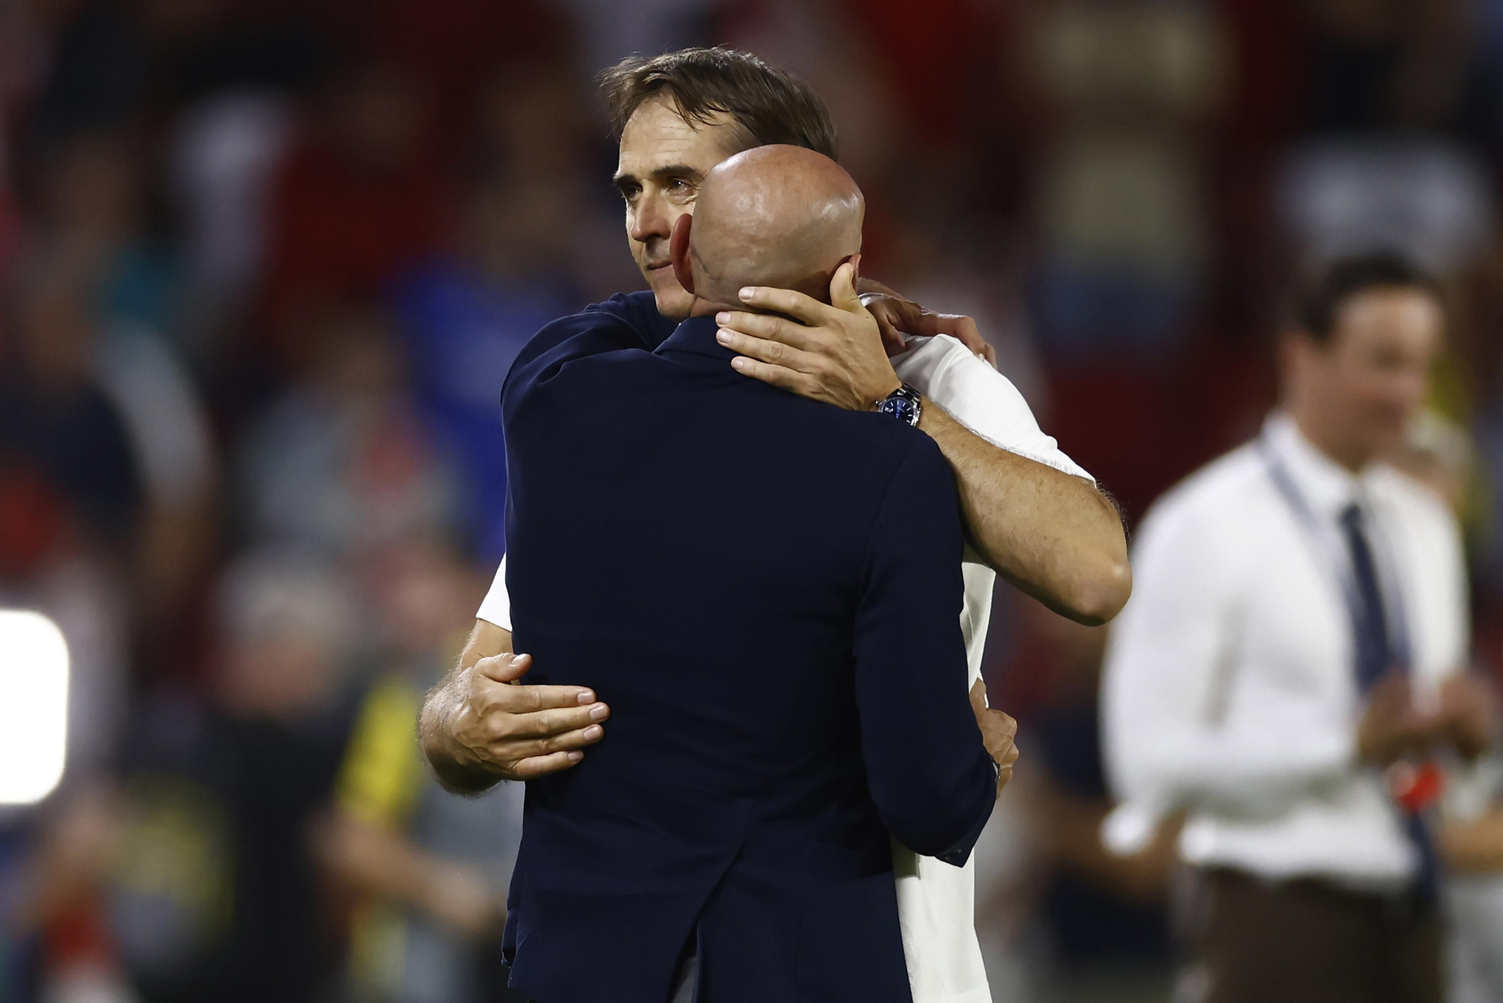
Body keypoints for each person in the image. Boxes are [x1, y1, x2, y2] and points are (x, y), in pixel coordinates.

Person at [420, 46, 1125, 1003]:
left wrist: (893, 402)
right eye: (629, 190)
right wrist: (455, 725)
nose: (649, 224)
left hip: (897, 951)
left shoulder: (937, 379)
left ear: (782, 185)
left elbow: (1093, 574)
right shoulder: (615, 415)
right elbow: (477, 678)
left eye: (683, 185)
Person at [498, 142, 997, 1003]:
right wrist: (977, 761)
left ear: (686, 257)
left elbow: (617, 319)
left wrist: (729, 282)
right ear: (845, 275)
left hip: (575, 964)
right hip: (783, 966)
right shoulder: (889, 470)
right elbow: (925, 796)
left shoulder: (551, 396)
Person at [1100, 252, 1497, 1003]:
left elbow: (1437, 780)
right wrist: (1342, 746)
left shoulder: (1424, 526)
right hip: (1273, 918)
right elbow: (1146, 763)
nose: (1409, 393)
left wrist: (1468, 748)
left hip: (1417, 921)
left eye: (1421, 365)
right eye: (1383, 362)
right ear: (1300, 353)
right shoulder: (1203, 523)